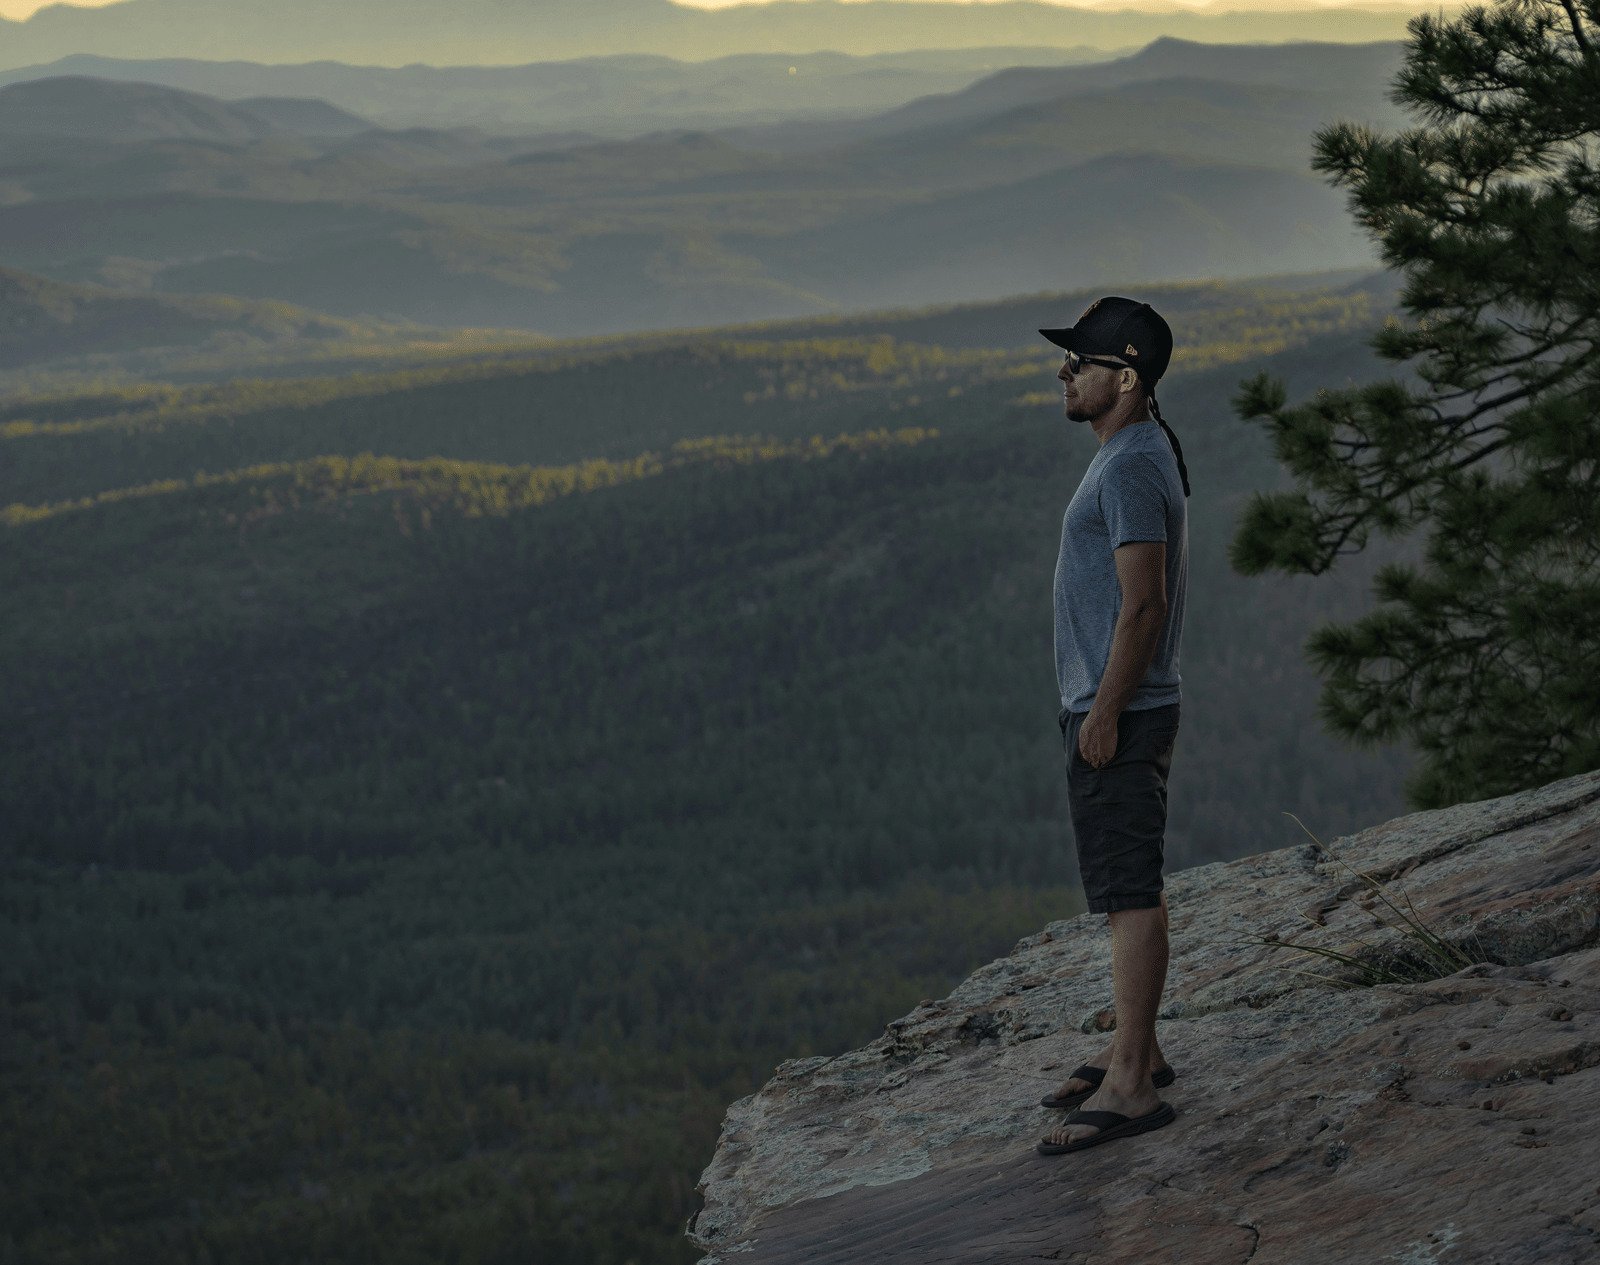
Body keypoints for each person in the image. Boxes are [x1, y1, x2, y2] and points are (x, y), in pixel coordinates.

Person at [1033, 297, 1189, 1155]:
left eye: (1077, 363)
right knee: (1133, 877)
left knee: (1127, 889)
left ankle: (1130, 1088)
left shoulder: (1129, 464)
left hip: (1120, 708)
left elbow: (1145, 605)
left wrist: (1103, 711)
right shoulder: (1137, 447)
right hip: (1120, 703)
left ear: (1124, 378)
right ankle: (1142, 1050)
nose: (1063, 373)